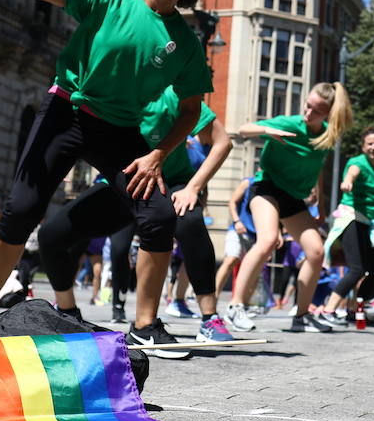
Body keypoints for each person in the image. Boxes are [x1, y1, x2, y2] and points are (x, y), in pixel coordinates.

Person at [0, 0, 213, 355]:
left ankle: (145, 325)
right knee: (22, 209)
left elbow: (191, 110)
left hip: (120, 130)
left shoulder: (185, 44)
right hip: (66, 112)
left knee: (159, 214)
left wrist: (158, 155)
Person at [50, 83, 235, 352]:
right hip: (123, 182)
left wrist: (194, 187)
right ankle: (68, 311)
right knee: (53, 235)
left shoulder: (174, 95)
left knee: (191, 223)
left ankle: (210, 318)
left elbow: (223, 142)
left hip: (172, 184)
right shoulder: (114, 91)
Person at [226, 83, 354, 334]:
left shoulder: (326, 137)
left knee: (316, 252)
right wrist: (267, 130)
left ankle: (302, 316)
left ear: (327, 114)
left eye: (315, 111)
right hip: (267, 188)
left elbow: (317, 167)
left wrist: (321, 202)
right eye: (307, 106)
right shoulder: (290, 124)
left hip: (293, 198)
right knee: (268, 240)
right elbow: (243, 129)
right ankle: (235, 306)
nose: (307, 113)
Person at [317, 127, 374, 326]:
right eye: (370, 143)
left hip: (367, 224)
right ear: (363, 146)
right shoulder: (358, 162)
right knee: (356, 269)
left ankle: (355, 311)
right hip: (351, 220)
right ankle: (328, 310)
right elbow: (352, 172)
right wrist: (347, 181)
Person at [215, 176, 257, 306]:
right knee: (231, 259)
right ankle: (213, 297)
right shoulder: (248, 182)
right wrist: (237, 221)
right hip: (238, 230)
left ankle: (242, 304)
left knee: (254, 269)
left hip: (257, 235)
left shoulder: (274, 185)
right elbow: (232, 201)